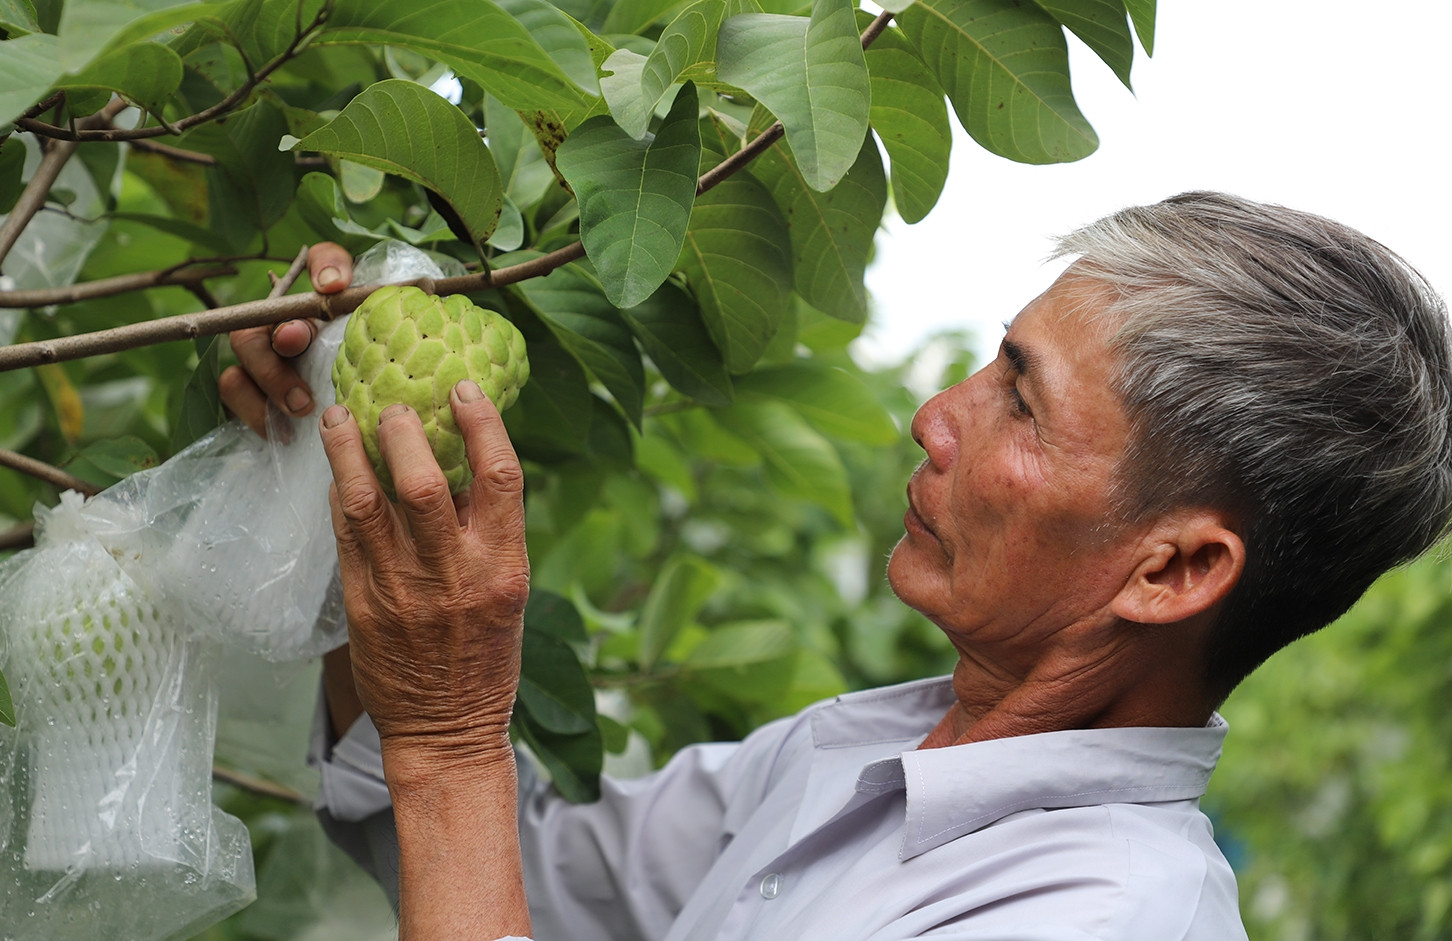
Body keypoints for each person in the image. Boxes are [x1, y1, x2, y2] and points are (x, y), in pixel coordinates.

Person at [221, 192, 1452, 941]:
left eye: (1022, 404)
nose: (936, 411)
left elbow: (447, 791)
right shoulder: (866, 752)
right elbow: (492, 866)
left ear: (1172, 570)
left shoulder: (1098, 916)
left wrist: (448, 736)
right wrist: (351, 498)